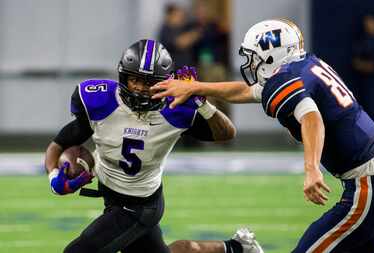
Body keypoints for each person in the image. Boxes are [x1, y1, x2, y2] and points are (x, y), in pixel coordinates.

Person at [152, 19, 374, 252]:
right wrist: (197, 88)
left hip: (369, 182)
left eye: (254, 56)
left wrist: (311, 168)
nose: (250, 63)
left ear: (272, 55)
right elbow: (246, 90)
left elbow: (312, 118)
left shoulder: (285, 78)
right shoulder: (303, 65)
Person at [44, 39, 263, 253]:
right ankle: (238, 247)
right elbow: (59, 144)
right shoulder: (101, 101)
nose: (140, 88)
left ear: (165, 82)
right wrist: (54, 177)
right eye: (134, 80)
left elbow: (227, 133)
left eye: (149, 82)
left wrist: (202, 103)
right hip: (111, 194)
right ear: (123, 76)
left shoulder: (177, 107)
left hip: (140, 205)